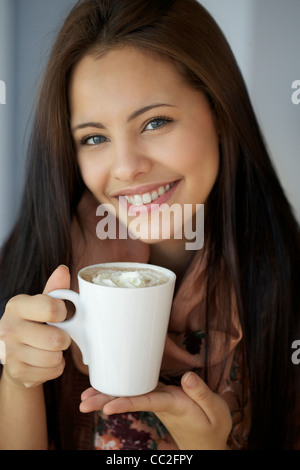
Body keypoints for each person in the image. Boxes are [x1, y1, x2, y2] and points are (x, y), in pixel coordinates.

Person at [0, 0, 299, 450]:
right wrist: (18, 380)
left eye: (155, 122)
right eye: (94, 138)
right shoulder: (33, 264)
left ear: (219, 113)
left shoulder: (288, 282)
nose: (126, 167)